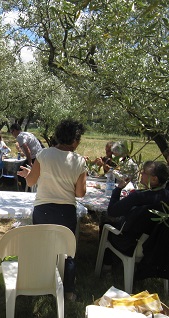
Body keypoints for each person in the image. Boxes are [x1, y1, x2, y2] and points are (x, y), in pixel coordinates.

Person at [17, 119, 87, 301]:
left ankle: (39, 284)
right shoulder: (79, 160)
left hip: (44, 208)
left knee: (42, 246)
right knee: (67, 250)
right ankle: (69, 291)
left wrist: (29, 175)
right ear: (75, 139)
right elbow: (80, 193)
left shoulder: (44, 154)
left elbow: (32, 181)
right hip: (67, 210)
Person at [102, 161, 169, 269]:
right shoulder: (166, 196)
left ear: (154, 179)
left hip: (131, 244)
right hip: (157, 244)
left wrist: (118, 189)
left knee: (105, 223)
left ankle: (107, 265)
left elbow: (112, 211)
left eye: (144, 172)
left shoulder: (138, 197)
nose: (141, 173)